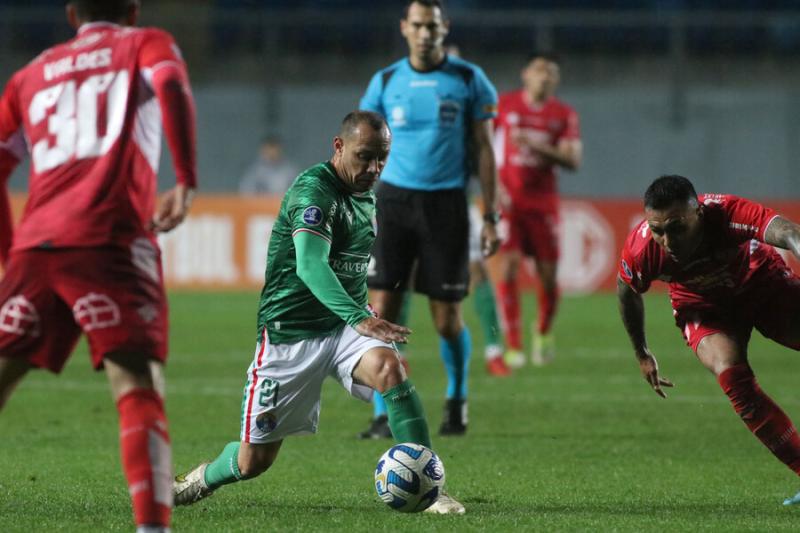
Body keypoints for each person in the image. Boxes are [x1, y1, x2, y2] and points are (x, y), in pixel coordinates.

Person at [173, 111, 465, 514]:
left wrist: (358, 313)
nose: (374, 168)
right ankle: (199, 479)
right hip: (290, 331)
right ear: (338, 146)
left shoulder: (366, 193)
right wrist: (358, 316)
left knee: (390, 370)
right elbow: (311, 266)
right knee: (252, 462)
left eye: (382, 158)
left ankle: (429, 489)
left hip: (344, 325)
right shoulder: (314, 192)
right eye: (365, 157)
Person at [0, 1, 197, 531]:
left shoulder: (31, 73)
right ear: (132, 10)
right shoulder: (144, 44)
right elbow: (174, 88)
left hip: (36, 249)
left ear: (71, 15)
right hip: (107, 239)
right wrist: (185, 176)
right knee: (136, 383)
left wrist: (11, 255)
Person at [358, 0, 500, 439]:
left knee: (445, 319)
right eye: (418, 25)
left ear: (444, 29)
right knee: (383, 312)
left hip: (447, 206)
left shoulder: (468, 79)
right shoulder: (384, 82)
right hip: (394, 203)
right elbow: (362, 147)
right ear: (405, 27)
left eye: (432, 26)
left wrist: (490, 214)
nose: (425, 33)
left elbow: (485, 150)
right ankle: (385, 412)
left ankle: (456, 401)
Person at [617, 175, 800, 506]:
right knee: (731, 374)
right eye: (658, 230)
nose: (666, 240)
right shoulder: (643, 249)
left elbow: (788, 233)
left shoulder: (726, 212)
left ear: (698, 213)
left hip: (762, 285)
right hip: (702, 307)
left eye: (676, 227)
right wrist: (642, 352)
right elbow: (627, 291)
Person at [493, 52, 582, 368]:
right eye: (539, 70)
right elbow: (483, 147)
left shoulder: (563, 114)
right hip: (510, 202)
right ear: (525, 73)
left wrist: (535, 145)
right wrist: (494, 188)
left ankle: (542, 330)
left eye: (551, 72)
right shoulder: (503, 105)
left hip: (543, 204)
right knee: (509, 268)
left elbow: (573, 160)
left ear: (555, 80)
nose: (544, 76)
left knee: (547, 278)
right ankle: (514, 344)